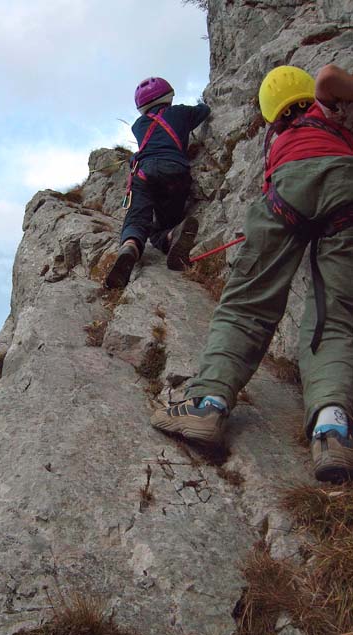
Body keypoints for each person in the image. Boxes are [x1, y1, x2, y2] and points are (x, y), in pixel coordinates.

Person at [151, 63, 353, 484]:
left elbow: (328, 75)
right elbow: (332, 75)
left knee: (246, 307)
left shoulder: (279, 138)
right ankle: (331, 430)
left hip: (283, 193)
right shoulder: (334, 114)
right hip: (345, 189)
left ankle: (207, 405)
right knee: (334, 320)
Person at [105, 77, 210, 288]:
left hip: (144, 174)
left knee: (138, 216)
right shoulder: (181, 113)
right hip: (176, 172)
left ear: (141, 107)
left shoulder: (138, 125)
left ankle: (130, 246)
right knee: (165, 221)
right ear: (168, 96)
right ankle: (171, 235)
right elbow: (204, 111)